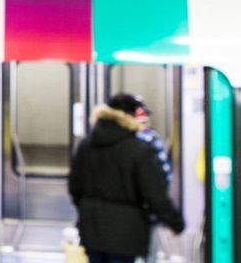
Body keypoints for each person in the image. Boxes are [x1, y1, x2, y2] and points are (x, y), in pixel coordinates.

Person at [69, 93, 184, 263]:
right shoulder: (140, 149)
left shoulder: (86, 145)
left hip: (91, 229)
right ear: (129, 116)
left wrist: (89, 211)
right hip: (126, 233)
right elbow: (155, 194)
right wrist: (174, 222)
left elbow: (74, 187)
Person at [134, 101, 173, 190]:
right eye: (139, 117)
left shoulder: (153, 137)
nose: (144, 119)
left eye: (145, 115)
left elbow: (164, 165)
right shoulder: (132, 140)